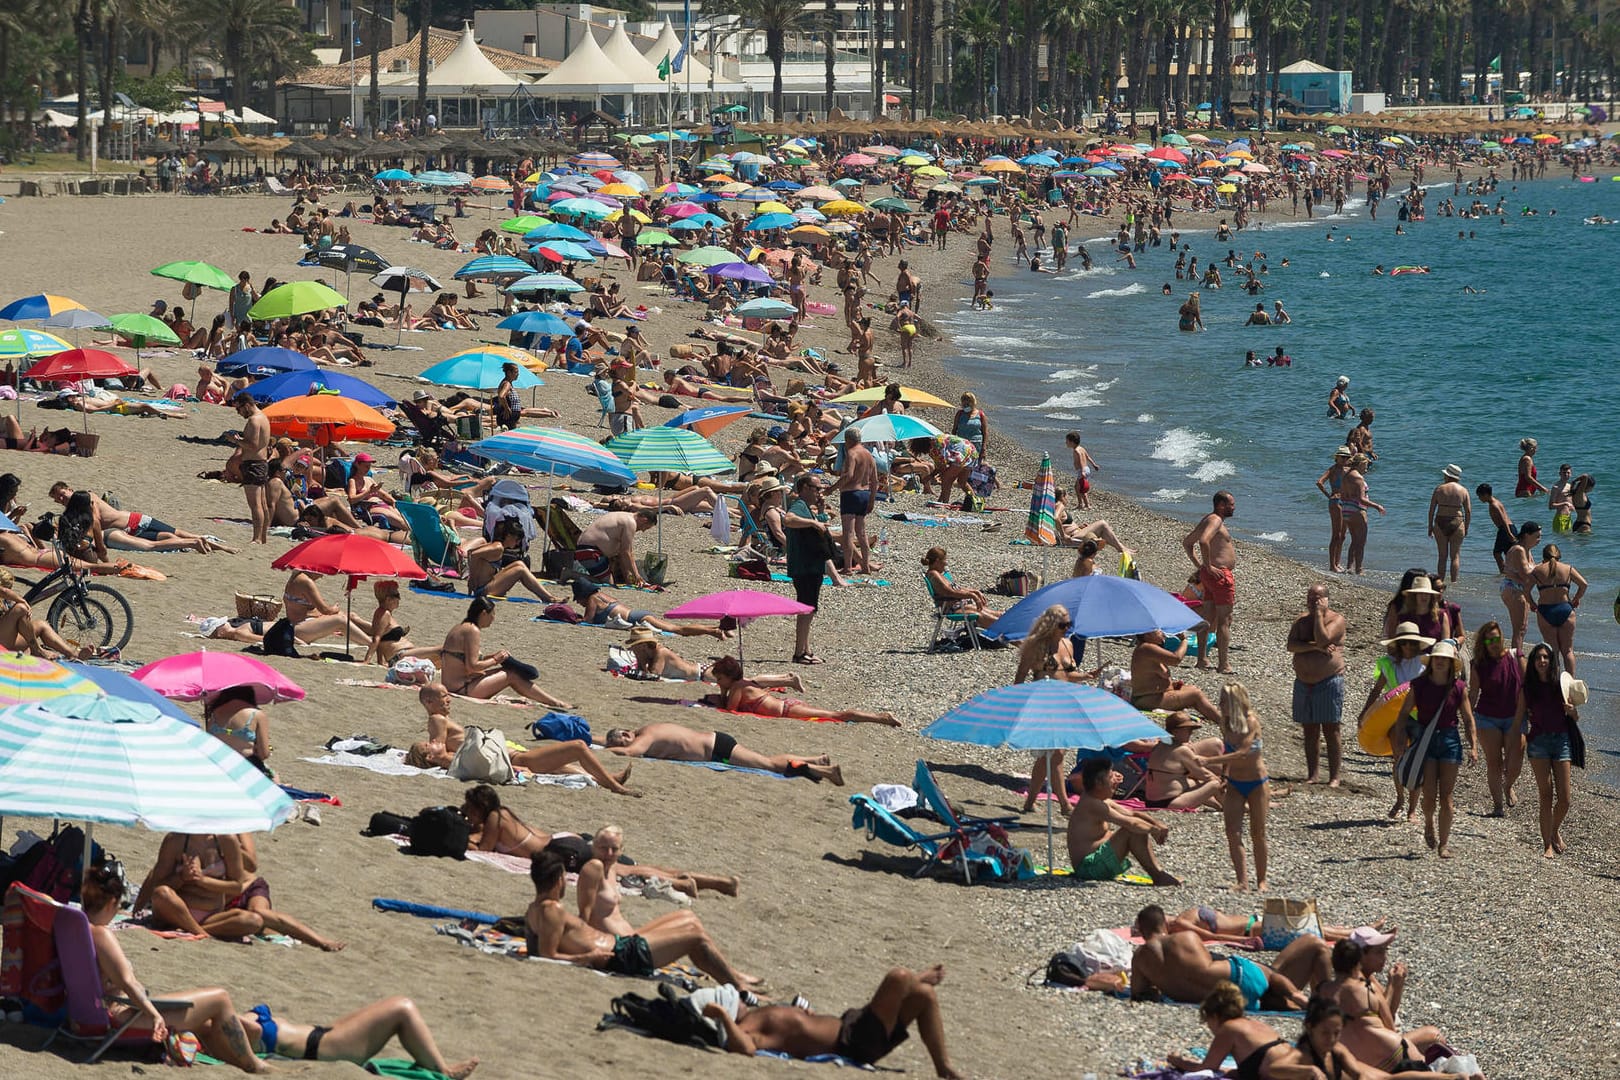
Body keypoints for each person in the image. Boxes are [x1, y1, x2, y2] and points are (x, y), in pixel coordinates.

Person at [79, 859, 270, 1073]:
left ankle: (237, 1061)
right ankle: (254, 1064)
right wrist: (154, 1015)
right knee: (220, 998)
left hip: (91, 1013)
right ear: (111, 903)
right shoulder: (101, 934)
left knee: (208, 1025)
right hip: (121, 1015)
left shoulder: (74, 927)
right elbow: (127, 981)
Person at [525, 851, 762, 989]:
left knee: (687, 917)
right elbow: (547, 955)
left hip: (619, 945)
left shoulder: (533, 910)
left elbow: (536, 949)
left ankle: (733, 976)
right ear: (558, 880)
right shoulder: (551, 910)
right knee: (694, 934)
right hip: (621, 957)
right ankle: (738, 987)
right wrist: (586, 957)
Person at [698, 965, 964, 1078]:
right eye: (735, 1000)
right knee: (899, 977)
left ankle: (944, 1068)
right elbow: (745, 1049)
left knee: (925, 997)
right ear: (731, 1011)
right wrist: (722, 1016)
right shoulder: (746, 1028)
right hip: (852, 1042)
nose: (742, 999)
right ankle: (916, 979)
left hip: (852, 1026)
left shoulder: (755, 1016)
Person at [407, 683, 634, 794]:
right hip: (514, 758)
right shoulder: (437, 719)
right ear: (429, 702)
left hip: (510, 758)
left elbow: (441, 749)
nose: (449, 699)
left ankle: (606, 778)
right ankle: (613, 786)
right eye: (444, 696)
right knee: (578, 747)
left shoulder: (439, 719)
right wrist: (432, 754)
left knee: (559, 766)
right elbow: (437, 749)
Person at [133, 832, 344, 951]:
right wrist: (182, 878)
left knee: (255, 920)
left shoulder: (229, 839)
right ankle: (200, 933)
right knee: (162, 894)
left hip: (214, 914)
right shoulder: (176, 840)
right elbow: (157, 881)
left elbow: (241, 878)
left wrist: (202, 879)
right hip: (175, 912)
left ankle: (319, 941)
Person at [1129, 904, 1317, 1010]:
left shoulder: (1139, 958)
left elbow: (1138, 992)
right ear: (1164, 925)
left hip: (1226, 1002)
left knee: (1276, 1002)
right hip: (1240, 977)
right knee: (1272, 974)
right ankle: (1300, 997)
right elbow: (1207, 962)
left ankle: (1296, 1005)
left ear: (1143, 931)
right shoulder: (1185, 937)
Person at [236, 997, 477, 1077]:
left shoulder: (221, 1023)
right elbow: (255, 1032)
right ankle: (443, 1071)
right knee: (402, 1008)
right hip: (326, 1048)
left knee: (396, 1005)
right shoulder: (227, 1032)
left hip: (322, 1033)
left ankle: (437, 1065)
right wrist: (229, 1016)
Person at [1393, 639, 1476, 858]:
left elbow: (1468, 719)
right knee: (1429, 794)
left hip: (1450, 741)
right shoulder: (1419, 685)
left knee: (1447, 796)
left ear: (1451, 663)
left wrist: (1473, 746)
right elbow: (1403, 715)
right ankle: (1429, 823)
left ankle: (1444, 844)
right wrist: (1400, 739)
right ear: (1431, 662)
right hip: (1425, 741)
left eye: (1445, 659)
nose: (1440, 662)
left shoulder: (1458, 688)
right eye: (1437, 658)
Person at [577, 826, 739, 924]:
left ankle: (687, 884)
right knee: (639, 868)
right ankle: (719, 883)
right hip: (581, 844)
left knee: (628, 870)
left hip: (582, 847)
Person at [1014, 605, 1089, 812]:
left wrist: (1086, 676)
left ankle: (1029, 802)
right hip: (1043, 701)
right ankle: (1065, 805)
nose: (1067, 628)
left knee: (1050, 755)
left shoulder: (1068, 644)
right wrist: (1018, 705)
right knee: (1055, 754)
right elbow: (1020, 676)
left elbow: (1068, 674)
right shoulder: (1035, 646)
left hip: (1064, 701)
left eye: (1069, 624)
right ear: (1051, 625)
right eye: (1063, 625)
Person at [1360, 622, 1434, 820]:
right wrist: (1364, 713)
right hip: (1396, 719)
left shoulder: (1425, 663)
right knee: (1399, 758)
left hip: (1419, 719)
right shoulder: (1389, 664)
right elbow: (1376, 691)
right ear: (1398, 645)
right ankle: (1400, 799)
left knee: (1417, 763)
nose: (1408, 647)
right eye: (1404, 643)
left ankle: (1412, 808)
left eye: (1412, 643)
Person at [603, 722, 843, 783]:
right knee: (766, 760)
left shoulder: (645, 737)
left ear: (626, 735)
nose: (625, 745)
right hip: (716, 745)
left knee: (770, 765)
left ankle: (825, 770)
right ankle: (815, 759)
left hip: (717, 749)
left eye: (622, 742)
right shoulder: (647, 729)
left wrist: (609, 751)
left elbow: (631, 752)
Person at [439, 597, 571, 708]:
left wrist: (491, 658)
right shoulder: (472, 631)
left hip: (454, 684)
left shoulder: (460, 627)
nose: (493, 618)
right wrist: (496, 660)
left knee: (508, 671)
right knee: (511, 675)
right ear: (484, 613)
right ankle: (554, 702)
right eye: (493, 614)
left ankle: (553, 701)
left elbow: (464, 659)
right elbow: (472, 666)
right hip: (462, 689)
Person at [1066, 758, 1179, 886]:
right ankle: (1158, 875)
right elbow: (1130, 823)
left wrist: (1157, 823)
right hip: (1088, 868)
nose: (1115, 779)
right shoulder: (1092, 804)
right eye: (1110, 777)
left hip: (1096, 861)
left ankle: (1159, 874)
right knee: (1132, 830)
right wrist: (1154, 831)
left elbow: (1131, 813)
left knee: (1135, 827)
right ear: (1098, 783)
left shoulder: (1099, 799)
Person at [1203, 682, 1269, 892]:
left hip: (1257, 783)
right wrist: (1223, 773)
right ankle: (1242, 881)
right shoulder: (1226, 722)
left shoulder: (1251, 722)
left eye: (1224, 700)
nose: (1220, 704)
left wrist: (1208, 761)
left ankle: (1262, 881)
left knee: (1257, 833)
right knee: (1232, 832)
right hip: (1235, 783)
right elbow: (1227, 748)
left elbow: (1243, 752)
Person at [1285, 998, 1453, 1080]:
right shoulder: (1300, 1056)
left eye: (1336, 1033)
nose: (1331, 1039)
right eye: (1325, 1033)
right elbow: (1272, 1068)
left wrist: (1453, 1078)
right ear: (1309, 1027)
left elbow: (1384, 1078)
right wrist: (1307, 1071)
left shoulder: (1336, 1051)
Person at [709, 655, 898, 725]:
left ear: (728, 677)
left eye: (720, 679)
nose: (719, 682)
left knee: (838, 715)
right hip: (786, 707)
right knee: (836, 714)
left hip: (787, 710)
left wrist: (723, 692)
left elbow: (730, 710)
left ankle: (880, 717)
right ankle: (879, 718)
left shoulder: (736, 687)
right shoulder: (743, 683)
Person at [1166, 981, 1294, 1078]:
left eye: (1207, 1020)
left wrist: (1177, 1061)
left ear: (1215, 1016)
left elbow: (1206, 1068)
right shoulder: (1257, 1025)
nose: (1209, 1027)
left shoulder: (1229, 1028)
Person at [1286, 584, 1347, 786]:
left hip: (1329, 680)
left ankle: (1334, 777)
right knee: (1309, 729)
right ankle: (1312, 774)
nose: (1313, 601)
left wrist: (1320, 615)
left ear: (1327, 599)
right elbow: (1291, 645)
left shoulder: (1336, 620)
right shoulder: (1301, 621)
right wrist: (1314, 647)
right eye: (1311, 597)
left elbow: (1323, 639)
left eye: (1318, 597)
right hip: (1304, 682)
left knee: (1331, 729)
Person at [1522, 643, 1576, 857]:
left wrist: (1572, 711)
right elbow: (1520, 717)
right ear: (1533, 662)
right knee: (1546, 795)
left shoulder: (1561, 685)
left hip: (1561, 741)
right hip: (1538, 743)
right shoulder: (1528, 688)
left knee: (1565, 798)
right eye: (1538, 658)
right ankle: (1547, 845)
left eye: (1545, 657)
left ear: (1551, 660)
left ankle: (1554, 830)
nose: (1542, 661)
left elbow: (1575, 717)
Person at [1469, 619, 1524, 817]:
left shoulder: (1516, 656)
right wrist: (1468, 719)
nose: (1493, 643)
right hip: (1487, 717)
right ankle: (1498, 806)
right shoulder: (1478, 664)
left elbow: (1528, 686)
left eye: (1496, 639)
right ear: (1482, 644)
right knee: (1494, 762)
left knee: (1515, 759)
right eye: (1488, 641)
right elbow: (1474, 693)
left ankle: (1508, 785)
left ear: (1502, 638)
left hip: (1515, 717)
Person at [1183, 490, 1236, 674]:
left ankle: (1202, 660)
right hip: (1220, 576)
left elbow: (1187, 542)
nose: (1233, 507)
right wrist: (1208, 565)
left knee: (1206, 617)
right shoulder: (1215, 520)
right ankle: (1223, 664)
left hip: (1210, 576)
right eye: (1230, 504)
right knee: (1224, 620)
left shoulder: (1208, 519)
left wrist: (1202, 567)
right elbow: (1203, 541)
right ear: (1221, 505)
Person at [783, 474, 834, 664]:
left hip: (811, 565)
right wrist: (813, 522)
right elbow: (788, 520)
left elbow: (817, 530)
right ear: (804, 488)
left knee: (810, 609)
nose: (819, 492)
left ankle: (806, 648)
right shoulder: (798, 505)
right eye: (816, 489)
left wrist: (819, 513)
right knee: (806, 610)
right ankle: (799, 652)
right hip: (804, 566)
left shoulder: (806, 508)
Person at [1130, 628, 1220, 722]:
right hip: (1149, 700)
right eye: (1158, 631)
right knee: (1195, 694)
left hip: (1151, 697)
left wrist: (1171, 684)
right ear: (1147, 635)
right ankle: (1222, 721)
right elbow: (1176, 659)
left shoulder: (1148, 649)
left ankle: (1216, 715)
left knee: (1192, 688)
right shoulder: (1147, 648)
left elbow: (1151, 676)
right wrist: (1184, 640)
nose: (1162, 633)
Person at [1141, 712, 1223, 809]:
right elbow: (1206, 775)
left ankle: (1219, 806)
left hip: (1150, 802)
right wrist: (1223, 782)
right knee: (1215, 784)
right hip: (1171, 802)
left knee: (1195, 782)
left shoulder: (1159, 746)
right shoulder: (1181, 750)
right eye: (1187, 730)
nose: (1190, 733)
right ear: (1175, 732)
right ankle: (1231, 807)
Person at [1529, 542, 1587, 675]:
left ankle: (1555, 684)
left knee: (1553, 651)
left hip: (1545, 612)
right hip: (1565, 610)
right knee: (1568, 651)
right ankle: (1570, 684)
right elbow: (1584, 584)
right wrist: (1576, 599)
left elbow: (1526, 590)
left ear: (1543, 557)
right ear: (1559, 556)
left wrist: (1532, 603)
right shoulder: (1568, 568)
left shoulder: (1537, 571)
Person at [921, 547, 1002, 631]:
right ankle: (1009, 636)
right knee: (985, 615)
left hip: (959, 604)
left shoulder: (938, 573)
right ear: (937, 561)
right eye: (944, 560)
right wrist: (972, 596)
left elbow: (956, 589)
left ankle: (1010, 634)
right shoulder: (934, 574)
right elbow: (950, 592)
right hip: (954, 608)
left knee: (997, 614)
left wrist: (975, 592)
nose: (946, 563)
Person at [832, 429, 879, 574]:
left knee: (848, 533)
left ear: (848, 440)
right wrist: (871, 500)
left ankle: (847, 567)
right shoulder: (869, 455)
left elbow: (849, 475)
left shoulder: (851, 453)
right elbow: (875, 480)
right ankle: (865, 566)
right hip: (865, 494)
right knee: (862, 533)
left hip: (851, 493)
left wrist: (831, 489)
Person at [460, 783, 551, 856]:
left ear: (481, 808)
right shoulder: (501, 814)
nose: (465, 811)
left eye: (469, 808)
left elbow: (482, 851)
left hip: (555, 850)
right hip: (554, 846)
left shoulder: (495, 817)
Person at [576, 509, 659, 587]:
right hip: (590, 551)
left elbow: (624, 555)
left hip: (584, 549)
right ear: (644, 520)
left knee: (609, 581)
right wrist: (637, 576)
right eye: (646, 527)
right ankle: (572, 575)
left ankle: (575, 575)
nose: (643, 530)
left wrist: (628, 579)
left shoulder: (623, 516)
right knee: (607, 584)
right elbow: (626, 552)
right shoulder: (630, 522)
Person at [204, 686, 271, 774]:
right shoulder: (256, 714)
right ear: (250, 695)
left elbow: (208, 745)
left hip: (218, 765)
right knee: (275, 779)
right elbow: (264, 754)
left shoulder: (215, 713)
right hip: (245, 767)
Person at [233, 393, 271, 545]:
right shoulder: (263, 417)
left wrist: (236, 440)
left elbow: (253, 445)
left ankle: (257, 538)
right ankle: (263, 537)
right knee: (262, 503)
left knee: (255, 505)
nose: (239, 412)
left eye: (239, 409)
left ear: (246, 405)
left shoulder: (254, 420)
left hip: (254, 465)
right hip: (260, 464)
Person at [1501, 521, 1540, 653]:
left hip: (1518, 588)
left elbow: (1531, 572)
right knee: (1519, 629)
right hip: (1514, 589)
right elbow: (1526, 575)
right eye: (1537, 536)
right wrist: (1543, 569)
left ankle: (1516, 655)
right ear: (1527, 535)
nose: (1539, 540)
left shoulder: (1526, 550)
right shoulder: (1519, 550)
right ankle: (1516, 659)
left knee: (1522, 628)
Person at [1427, 464, 1471, 581]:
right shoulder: (1463, 491)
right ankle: (1454, 582)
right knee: (1455, 556)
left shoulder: (1439, 489)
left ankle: (1440, 582)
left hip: (1440, 521)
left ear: (1447, 475)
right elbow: (1468, 511)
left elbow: (1431, 510)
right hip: (1457, 522)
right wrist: (1466, 527)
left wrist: (1430, 526)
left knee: (1442, 557)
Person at [1316, 447, 1352, 571]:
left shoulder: (1349, 470)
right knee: (1336, 535)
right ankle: (1332, 565)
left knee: (1343, 536)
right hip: (1336, 501)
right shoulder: (1332, 469)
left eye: (1347, 457)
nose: (1344, 459)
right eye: (1342, 457)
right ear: (1337, 457)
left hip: (1346, 502)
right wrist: (1329, 495)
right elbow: (1319, 482)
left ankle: (1337, 562)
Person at [1478, 482, 1514, 573]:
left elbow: (1503, 519)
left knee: (1497, 553)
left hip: (1505, 529)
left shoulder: (1494, 505)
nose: (1479, 499)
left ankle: (1504, 572)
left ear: (1485, 494)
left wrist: (1509, 533)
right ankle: (1509, 572)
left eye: (1480, 496)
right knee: (1508, 553)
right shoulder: (1495, 501)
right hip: (1508, 528)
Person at [1065, 430, 1099, 508]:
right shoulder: (1081, 448)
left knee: (1078, 488)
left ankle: (1081, 504)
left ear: (1072, 442)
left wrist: (1083, 471)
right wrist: (1094, 465)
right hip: (1086, 469)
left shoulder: (1076, 450)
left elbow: (1081, 460)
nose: (1066, 443)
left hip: (1082, 470)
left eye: (1067, 441)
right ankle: (1086, 504)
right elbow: (1087, 457)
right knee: (1081, 487)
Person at [951, 392, 988, 462]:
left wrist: (984, 447)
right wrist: (953, 444)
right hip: (962, 445)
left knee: (975, 467)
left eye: (968, 404)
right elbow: (954, 430)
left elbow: (985, 432)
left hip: (976, 445)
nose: (965, 406)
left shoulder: (980, 414)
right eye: (964, 404)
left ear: (973, 402)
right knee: (962, 465)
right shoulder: (960, 414)